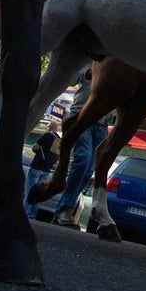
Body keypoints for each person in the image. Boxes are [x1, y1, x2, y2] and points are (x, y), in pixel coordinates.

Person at [53, 68, 109, 230]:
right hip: (82, 117)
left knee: (87, 171)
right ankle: (64, 209)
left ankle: (65, 209)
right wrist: (86, 74)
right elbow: (71, 79)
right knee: (82, 161)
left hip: (101, 126)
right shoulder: (92, 57)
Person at [24, 121, 59, 220]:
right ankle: (32, 215)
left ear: (50, 127)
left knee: (30, 191)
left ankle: (25, 213)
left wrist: (37, 150)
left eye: (47, 126)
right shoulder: (59, 139)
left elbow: (35, 147)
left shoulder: (47, 135)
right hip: (47, 169)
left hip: (37, 166)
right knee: (39, 193)